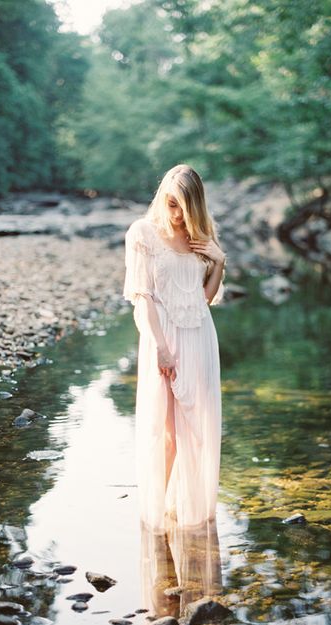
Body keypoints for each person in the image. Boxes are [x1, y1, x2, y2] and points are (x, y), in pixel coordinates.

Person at [123, 164, 226, 533]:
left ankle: (186, 512)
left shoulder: (202, 236)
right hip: (162, 335)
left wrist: (219, 262)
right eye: (171, 204)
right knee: (164, 429)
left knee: (195, 427)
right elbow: (143, 297)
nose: (178, 215)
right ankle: (156, 517)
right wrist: (161, 348)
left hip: (198, 334)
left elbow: (204, 300)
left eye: (184, 207)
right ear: (162, 197)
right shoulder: (143, 234)